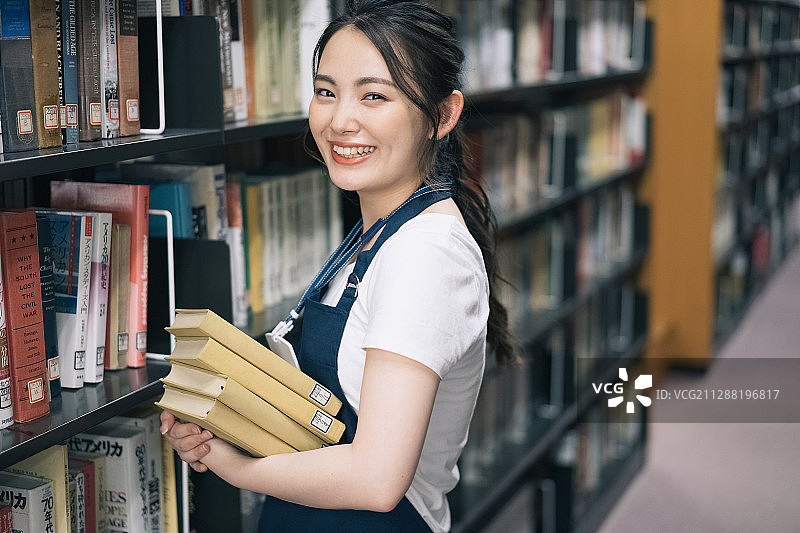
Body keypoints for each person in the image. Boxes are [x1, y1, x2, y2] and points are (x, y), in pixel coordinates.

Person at [159, 1, 516, 531]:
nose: (340, 120)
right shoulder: (379, 230)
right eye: (326, 92)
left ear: (443, 115)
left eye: (374, 96)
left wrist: (233, 467)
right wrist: (222, 425)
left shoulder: (426, 254)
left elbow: (376, 480)